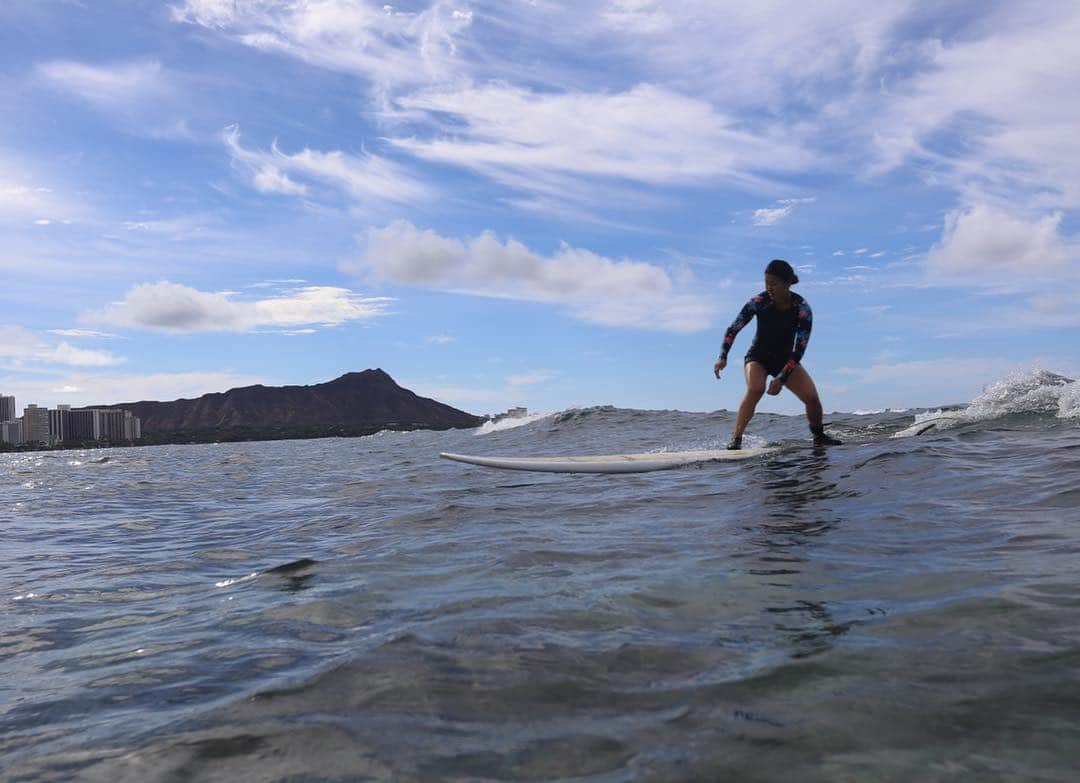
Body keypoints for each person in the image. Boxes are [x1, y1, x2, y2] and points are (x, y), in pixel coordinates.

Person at [713, 258, 841, 449]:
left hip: (785, 359)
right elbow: (733, 329)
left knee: (812, 398)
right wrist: (723, 356)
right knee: (756, 388)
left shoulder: (802, 309)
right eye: (766, 283)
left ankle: (819, 436)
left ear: (787, 283)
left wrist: (782, 378)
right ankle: (736, 440)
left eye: (774, 283)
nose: (769, 288)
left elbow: (799, 350)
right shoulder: (758, 302)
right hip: (758, 357)